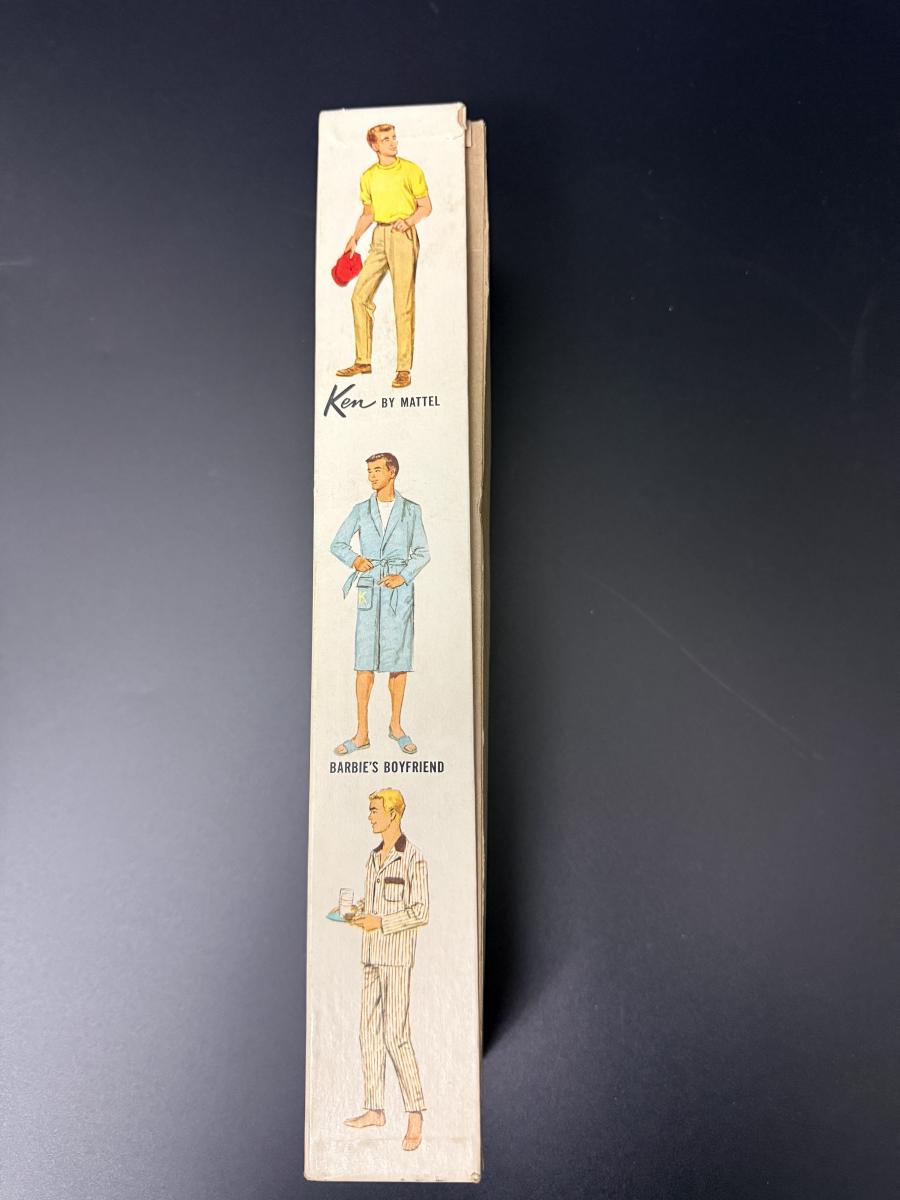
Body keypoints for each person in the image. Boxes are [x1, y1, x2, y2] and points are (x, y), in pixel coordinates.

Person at [330, 453, 430, 756]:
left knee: (398, 662)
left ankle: (395, 726)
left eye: (377, 470)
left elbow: (422, 552)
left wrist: (403, 576)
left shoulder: (411, 510)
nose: (371, 476)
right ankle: (362, 733)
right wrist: (356, 560)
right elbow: (338, 543)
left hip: (398, 592)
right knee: (364, 663)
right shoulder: (361, 510)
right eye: (369, 471)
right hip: (369, 589)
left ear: (392, 472)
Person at [345, 788, 428, 1152]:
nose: (370, 816)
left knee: (396, 1035)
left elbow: (420, 911)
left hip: (395, 958)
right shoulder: (372, 857)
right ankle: (375, 1109)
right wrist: (357, 912)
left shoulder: (413, 858)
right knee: (368, 1033)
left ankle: (415, 1114)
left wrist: (379, 922)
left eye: (374, 810)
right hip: (370, 956)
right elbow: (375, 904)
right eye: (369, 810)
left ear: (393, 814)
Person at [335, 124, 432, 389]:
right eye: (386, 139)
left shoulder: (411, 170)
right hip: (379, 236)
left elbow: (426, 207)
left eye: (394, 138)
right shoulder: (368, 176)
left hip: (403, 236)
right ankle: (362, 361)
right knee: (359, 296)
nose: (393, 142)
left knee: (403, 302)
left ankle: (403, 369)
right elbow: (368, 213)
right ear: (374, 145)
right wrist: (354, 238)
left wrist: (408, 221)